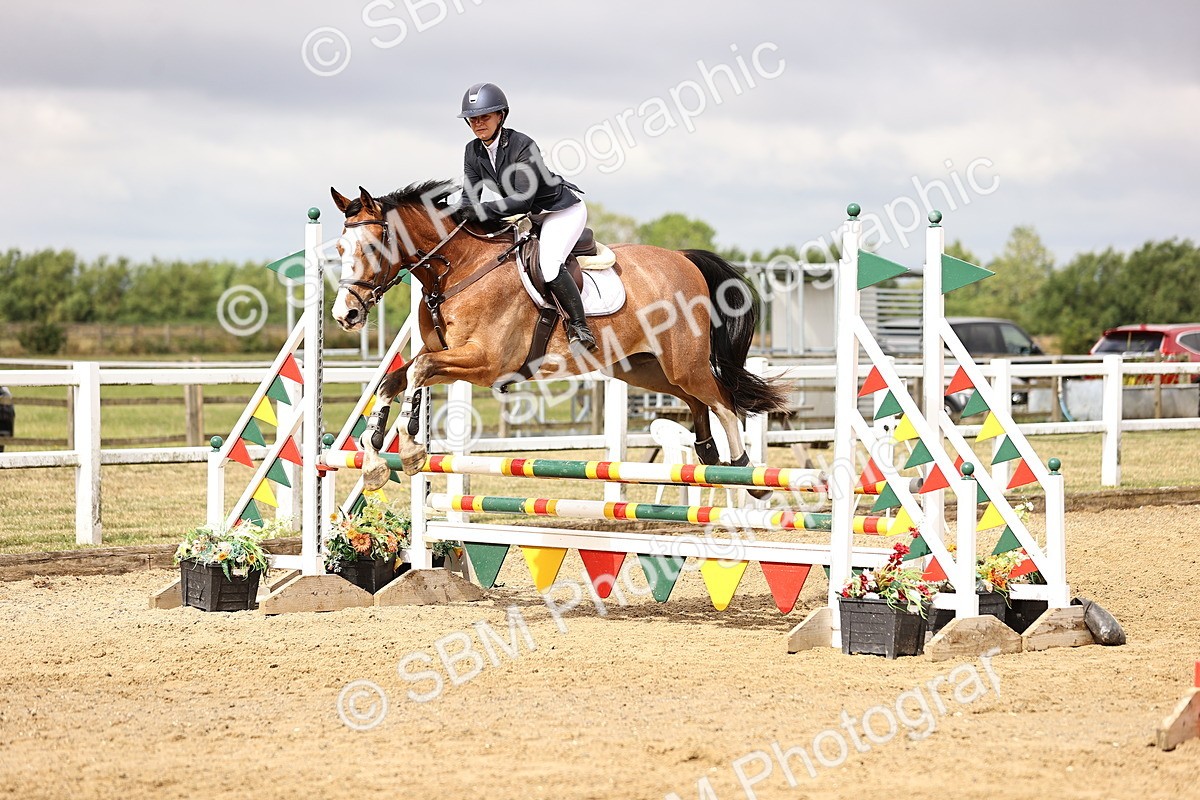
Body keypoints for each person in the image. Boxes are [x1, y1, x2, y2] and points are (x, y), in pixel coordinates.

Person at [454, 82, 597, 353]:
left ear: (501, 116)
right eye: (473, 118)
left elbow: (522, 199)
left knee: (550, 264)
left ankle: (580, 329)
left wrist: (479, 211)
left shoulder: (522, 145)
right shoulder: (473, 151)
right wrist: (453, 219)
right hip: (529, 217)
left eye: (485, 116)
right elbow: (469, 199)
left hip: (559, 211)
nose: (478, 123)